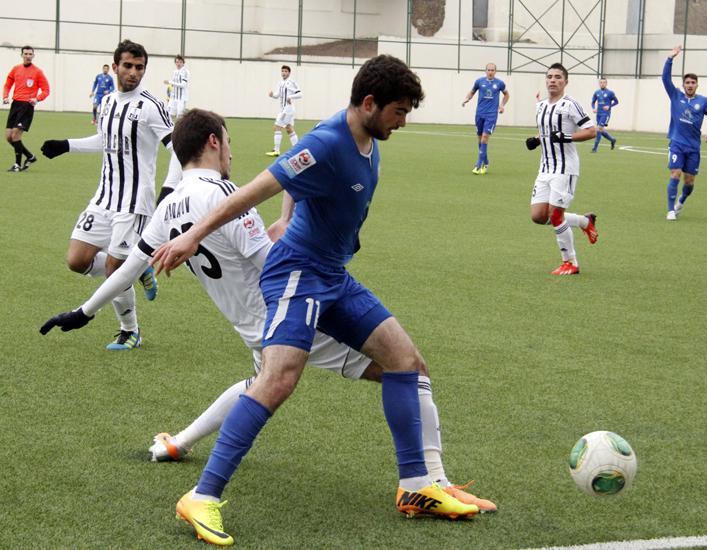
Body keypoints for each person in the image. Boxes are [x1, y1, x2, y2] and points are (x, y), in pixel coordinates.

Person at [39, 108, 496, 521]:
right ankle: (429, 481)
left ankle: (179, 443)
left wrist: (84, 311)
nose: (232, 152)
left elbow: (127, 270)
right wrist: (306, 241)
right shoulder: (222, 196)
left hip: (249, 324)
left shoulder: (168, 206)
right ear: (214, 142)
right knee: (408, 371)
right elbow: (271, 263)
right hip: (289, 314)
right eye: (229, 141)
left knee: (263, 383)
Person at [152, 55, 479, 545]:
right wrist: (192, 236)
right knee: (278, 379)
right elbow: (258, 188)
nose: (403, 121)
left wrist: (289, 215)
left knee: (406, 361)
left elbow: (298, 183)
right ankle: (201, 496)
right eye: (398, 111)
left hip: (332, 274)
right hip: (297, 274)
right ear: (369, 103)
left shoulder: (365, 139)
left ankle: (417, 485)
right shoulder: (328, 141)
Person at [40, 40, 180, 350]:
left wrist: (168, 190)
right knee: (77, 260)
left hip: (134, 202)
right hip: (104, 197)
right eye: (128, 66)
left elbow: (178, 151)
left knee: (114, 269)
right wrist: (67, 145)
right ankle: (138, 267)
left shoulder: (151, 106)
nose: (134, 72)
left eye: (140, 67)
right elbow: (106, 140)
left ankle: (130, 331)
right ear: (115, 66)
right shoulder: (106, 102)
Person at [525, 63, 598, 275]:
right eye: (549, 77)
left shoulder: (570, 105)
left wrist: (566, 137)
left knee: (556, 215)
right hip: (545, 168)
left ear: (565, 81)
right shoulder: (541, 106)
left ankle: (571, 262)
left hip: (565, 169)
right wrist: (537, 140)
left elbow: (591, 131)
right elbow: (547, 132)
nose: (553, 80)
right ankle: (584, 221)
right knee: (538, 216)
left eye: (558, 77)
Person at [662, 45, 707, 221]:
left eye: (693, 83)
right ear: (683, 85)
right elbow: (665, 78)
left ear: (697, 85)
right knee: (675, 174)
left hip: (694, 147)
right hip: (677, 144)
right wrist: (670, 58)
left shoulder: (703, 101)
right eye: (687, 82)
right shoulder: (675, 96)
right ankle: (670, 210)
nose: (690, 85)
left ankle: (681, 201)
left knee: (689, 182)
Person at [3, 45, 49, 172]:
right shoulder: (16, 69)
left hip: (27, 106)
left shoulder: (38, 72)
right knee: (9, 137)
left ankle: (17, 165)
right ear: (22, 55)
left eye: (30, 54)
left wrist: (37, 99)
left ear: (33, 56)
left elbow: (46, 90)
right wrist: (5, 96)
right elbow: (7, 84)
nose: (28, 56)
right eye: (26, 54)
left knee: (15, 135)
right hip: (15, 105)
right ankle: (30, 156)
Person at [461, 62, 509, 175]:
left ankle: (478, 164)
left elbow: (507, 95)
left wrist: (502, 105)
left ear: (495, 71)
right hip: (479, 114)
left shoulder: (500, 83)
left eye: (492, 70)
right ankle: (486, 162)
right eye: (489, 70)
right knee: (480, 139)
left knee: (485, 137)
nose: (490, 72)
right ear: (485, 71)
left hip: (491, 115)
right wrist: (466, 99)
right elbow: (472, 92)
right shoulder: (479, 82)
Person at [265, 65, 302, 157]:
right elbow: (277, 95)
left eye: (286, 71)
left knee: (277, 127)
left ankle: (276, 150)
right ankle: (297, 150)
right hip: (284, 109)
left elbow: (300, 94)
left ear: (289, 73)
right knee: (289, 129)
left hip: (287, 109)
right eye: (282, 71)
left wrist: (290, 97)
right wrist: (272, 95)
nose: (284, 73)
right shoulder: (280, 83)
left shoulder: (292, 82)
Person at [590, 77, 618, 152]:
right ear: (599, 83)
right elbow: (593, 102)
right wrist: (593, 108)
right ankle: (612, 140)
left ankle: (595, 148)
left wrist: (609, 106)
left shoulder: (610, 93)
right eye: (601, 82)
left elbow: (616, 102)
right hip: (598, 114)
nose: (602, 84)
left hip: (606, 114)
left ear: (606, 83)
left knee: (599, 129)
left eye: (604, 82)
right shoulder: (597, 92)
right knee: (601, 130)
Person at [164, 55, 190, 119]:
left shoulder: (185, 72)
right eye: (177, 62)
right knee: (169, 114)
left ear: (183, 63)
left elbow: (183, 85)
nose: (178, 64)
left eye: (180, 62)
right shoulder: (175, 72)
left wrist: (170, 82)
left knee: (180, 116)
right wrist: (170, 95)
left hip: (181, 98)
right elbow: (172, 85)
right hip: (174, 97)